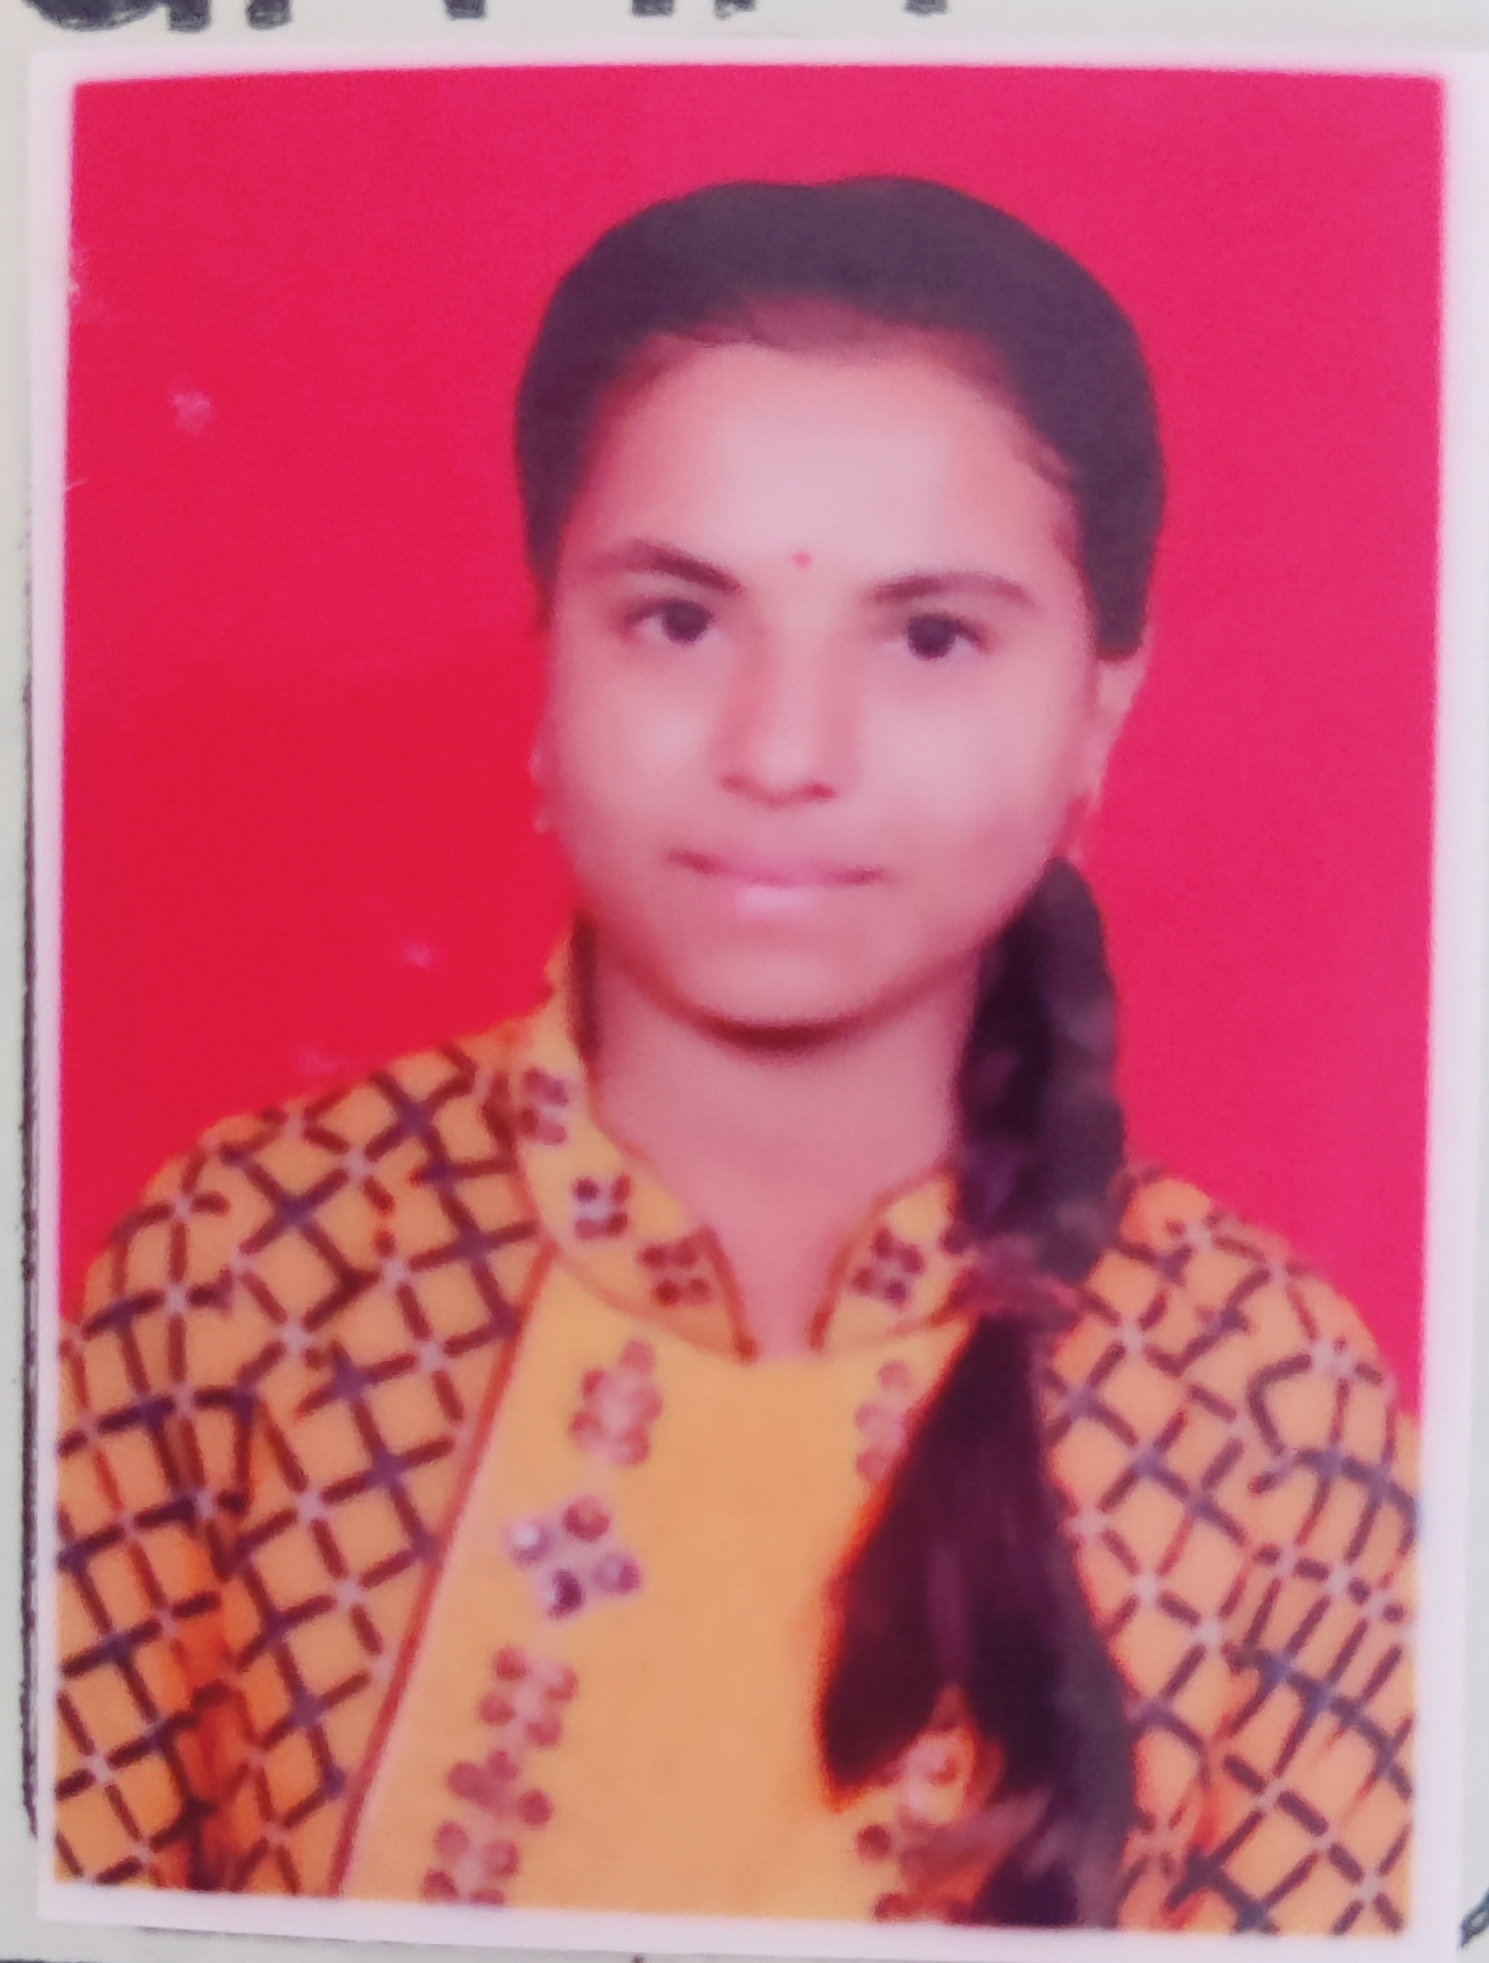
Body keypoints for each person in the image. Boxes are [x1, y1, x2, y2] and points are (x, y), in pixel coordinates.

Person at [53, 177, 1416, 1933]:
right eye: (680, 620)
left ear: (1098, 710)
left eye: (930, 638)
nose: (781, 752)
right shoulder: (250, 1269)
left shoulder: (1269, 1404)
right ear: (546, 655)